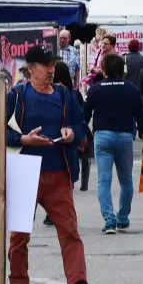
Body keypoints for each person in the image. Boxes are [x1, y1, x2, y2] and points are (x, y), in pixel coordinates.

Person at [5, 47, 103, 284]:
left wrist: (72, 133)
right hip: (25, 170)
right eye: (46, 65)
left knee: (70, 231)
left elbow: (82, 127)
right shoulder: (16, 95)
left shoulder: (65, 95)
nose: (51, 70)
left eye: (53, 65)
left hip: (59, 171)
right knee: (19, 235)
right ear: (30, 69)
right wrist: (22, 139)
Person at [84, 53, 143, 234]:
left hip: (102, 135)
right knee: (126, 180)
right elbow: (141, 118)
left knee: (104, 180)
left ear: (103, 70)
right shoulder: (132, 90)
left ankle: (109, 220)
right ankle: (122, 218)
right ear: (123, 70)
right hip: (124, 137)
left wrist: (84, 135)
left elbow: (85, 115)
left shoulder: (96, 89)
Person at [52, 61, 92, 193]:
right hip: (70, 142)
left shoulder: (52, 94)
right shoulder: (74, 93)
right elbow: (81, 115)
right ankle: (83, 184)